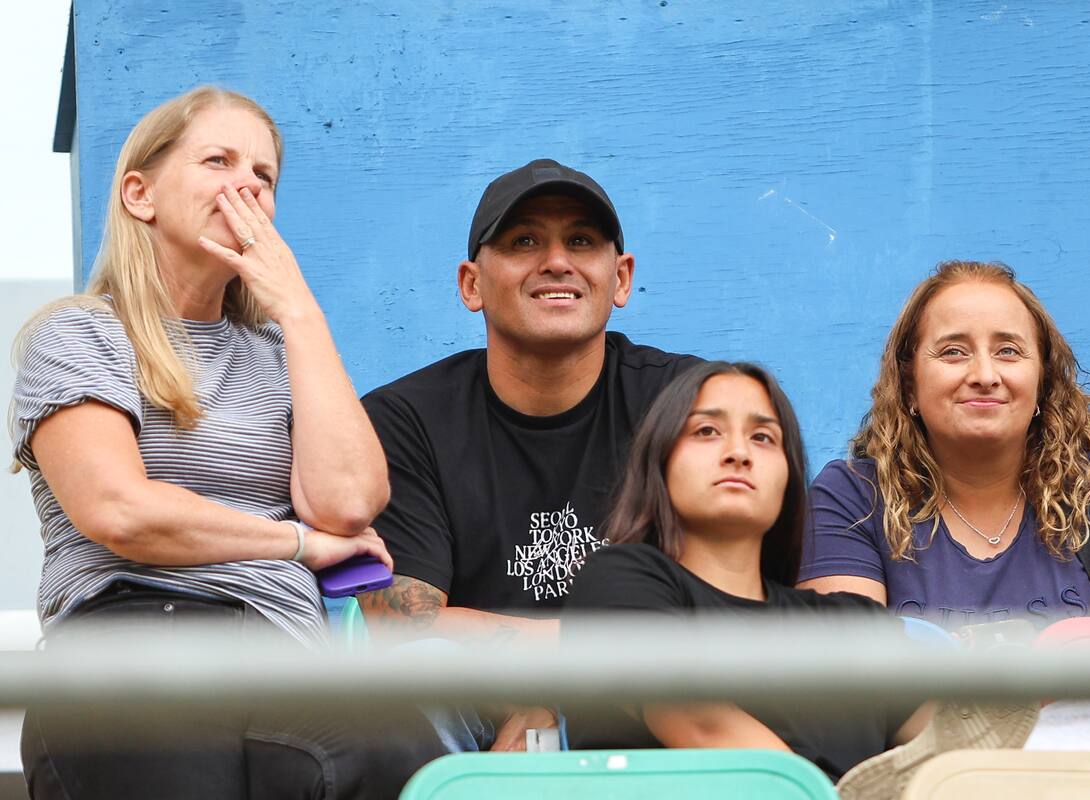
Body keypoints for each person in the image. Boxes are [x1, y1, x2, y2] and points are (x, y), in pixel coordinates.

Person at [11, 85, 438, 798]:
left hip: (285, 654)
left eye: (264, 177)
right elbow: (120, 511)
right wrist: (296, 545)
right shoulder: (80, 334)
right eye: (218, 160)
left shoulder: (275, 350)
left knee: (409, 757)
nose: (247, 185)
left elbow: (349, 506)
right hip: (134, 633)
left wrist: (298, 309)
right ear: (140, 195)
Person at [560, 361, 1036, 786]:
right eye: (706, 431)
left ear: (788, 478)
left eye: (763, 437)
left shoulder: (851, 624)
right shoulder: (619, 580)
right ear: (659, 462)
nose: (738, 453)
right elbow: (698, 721)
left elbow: (966, 748)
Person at [359, 158, 699, 749]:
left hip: (650, 703)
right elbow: (403, 627)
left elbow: (720, 611)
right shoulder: (403, 418)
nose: (557, 261)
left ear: (621, 278)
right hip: (475, 710)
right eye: (523, 241)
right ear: (471, 284)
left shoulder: (685, 403)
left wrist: (566, 704)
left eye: (581, 240)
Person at [797, 260, 1090, 628]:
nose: (984, 374)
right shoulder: (852, 498)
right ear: (909, 385)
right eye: (953, 352)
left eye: (1008, 351)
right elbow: (850, 682)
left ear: (1042, 383)